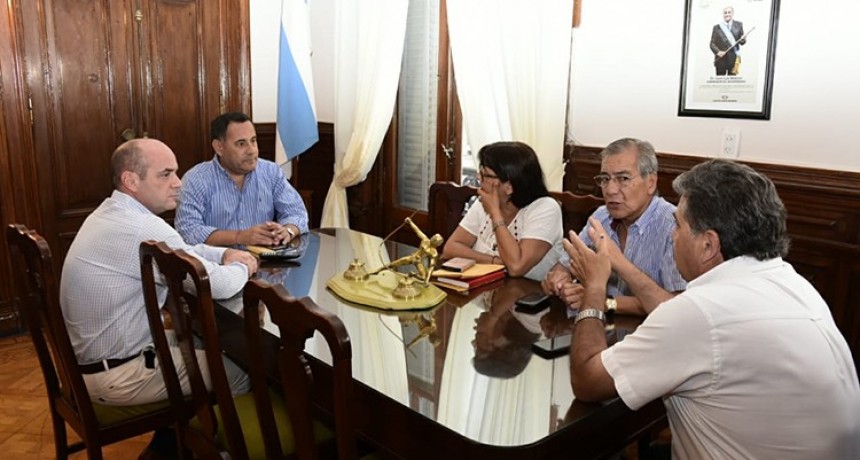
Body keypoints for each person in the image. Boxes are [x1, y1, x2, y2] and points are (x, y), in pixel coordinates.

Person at [566, 159, 860, 459]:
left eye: (678, 225)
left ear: (708, 245)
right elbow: (681, 314)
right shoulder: (794, 284)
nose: (672, 235)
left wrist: (595, 285)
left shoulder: (701, 313)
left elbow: (588, 381)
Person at [60, 138, 257, 407]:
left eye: (175, 172)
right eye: (165, 174)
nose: (178, 183)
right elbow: (217, 285)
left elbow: (183, 251)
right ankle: (211, 432)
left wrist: (224, 255)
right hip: (121, 374)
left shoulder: (111, 212)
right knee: (245, 369)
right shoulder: (141, 227)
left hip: (96, 361)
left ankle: (185, 429)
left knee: (211, 342)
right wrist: (245, 266)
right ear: (131, 180)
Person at [542, 138, 685, 316]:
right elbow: (564, 265)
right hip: (601, 325)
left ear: (651, 183)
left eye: (623, 179)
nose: (610, 190)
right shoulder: (601, 216)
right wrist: (560, 279)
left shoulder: (674, 225)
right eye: (605, 179)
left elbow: (678, 305)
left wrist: (602, 301)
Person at [175, 112, 309, 247]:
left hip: (264, 257)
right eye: (241, 144)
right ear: (219, 147)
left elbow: (297, 213)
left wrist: (287, 230)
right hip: (217, 259)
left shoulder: (271, 172)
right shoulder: (195, 179)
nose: (251, 150)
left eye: (253, 141)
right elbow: (188, 231)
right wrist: (238, 237)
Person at [442, 141, 563, 281]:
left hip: (528, 292)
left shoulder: (545, 208)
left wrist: (495, 214)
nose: (479, 178)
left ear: (509, 186)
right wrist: (495, 261)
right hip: (487, 286)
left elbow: (516, 267)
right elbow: (451, 248)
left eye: (486, 175)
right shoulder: (484, 202)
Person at [377, 217, 443, 284]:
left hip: (419, 262)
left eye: (435, 239)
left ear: (437, 243)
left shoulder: (434, 253)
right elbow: (417, 230)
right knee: (393, 264)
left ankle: (412, 275)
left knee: (423, 278)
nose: (432, 239)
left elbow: (431, 267)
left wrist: (427, 279)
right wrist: (410, 222)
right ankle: (378, 271)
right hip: (412, 257)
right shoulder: (425, 240)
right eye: (433, 237)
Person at [710, 6, 746, 76]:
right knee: (719, 81)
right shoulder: (717, 27)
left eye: (729, 12)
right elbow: (712, 43)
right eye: (725, 13)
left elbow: (742, 42)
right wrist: (718, 52)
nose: (727, 14)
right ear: (723, 14)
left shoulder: (739, 25)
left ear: (732, 14)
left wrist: (743, 39)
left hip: (734, 59)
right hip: (720, 60)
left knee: (732, 82)